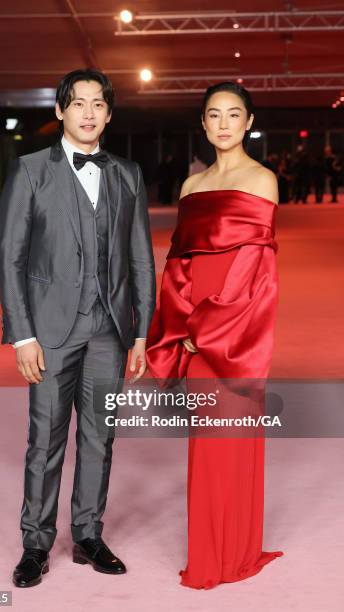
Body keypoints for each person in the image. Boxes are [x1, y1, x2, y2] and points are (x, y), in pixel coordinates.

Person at [0, 69, 156, 587]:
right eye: (78, 103)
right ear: (61, 111)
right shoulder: (30, 171)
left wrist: (140, 333)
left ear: (109, 114)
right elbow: (10, 259)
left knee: (99, 437)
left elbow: (141, 258)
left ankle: (88, 534)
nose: (88, 113)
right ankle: (35, 544)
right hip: (48, 330)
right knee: (44, 440)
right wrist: (22, 335)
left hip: (109, 330)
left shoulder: (127, 174)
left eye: (98, 104)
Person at [146, 81, 283, 589]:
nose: (223, 124)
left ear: (248, 122)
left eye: (233, 115)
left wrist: (203, 329)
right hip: (192, 331)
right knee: (206, 442)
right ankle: (213, 550)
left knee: (232, 435)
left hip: (232, 333)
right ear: (203, 124)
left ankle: (235, 551)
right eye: (213, 115)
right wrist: (179, 324)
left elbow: (254, 269)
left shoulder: (262, 180)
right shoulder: (191, 187)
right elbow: (177, 266)